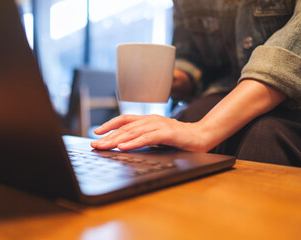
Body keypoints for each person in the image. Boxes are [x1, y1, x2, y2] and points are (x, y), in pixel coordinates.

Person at [91, 0, 301, 167]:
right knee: (184, 119)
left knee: (264, 135)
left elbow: (287, 58)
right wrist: (168, 78)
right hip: (226, 89)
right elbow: (193, 58)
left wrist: (202, 131)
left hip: (294, 101)